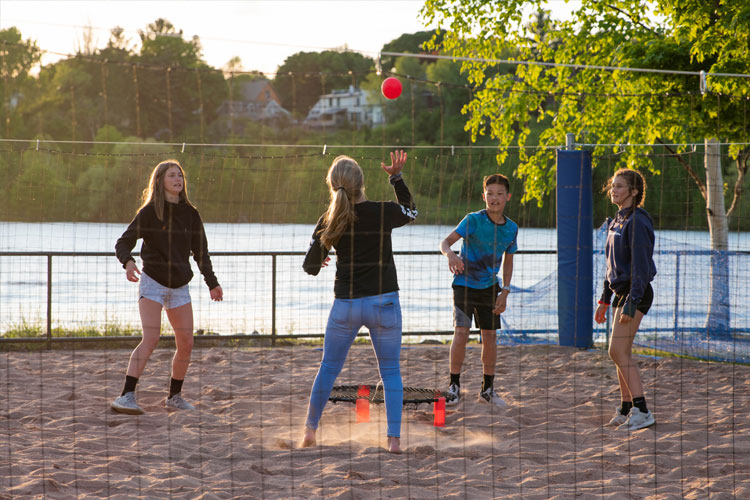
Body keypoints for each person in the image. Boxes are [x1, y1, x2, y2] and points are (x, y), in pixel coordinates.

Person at [300, 151, 417, 454]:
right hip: (384, 302)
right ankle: (392, 439)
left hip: (347, 306)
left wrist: (324, 254)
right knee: (390, 371)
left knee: (328, 368)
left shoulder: (330, 219)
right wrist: (396, 177)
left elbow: (310, 267)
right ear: (362, 183)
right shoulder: (383, 211)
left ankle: (310, 432)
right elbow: (412, 212)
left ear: (333, 187)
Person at [111, 159, 223, 415]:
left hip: (180, 285)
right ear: (160, 181)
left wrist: (212, 283)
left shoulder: (191, 214)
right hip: (152, 282)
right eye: (172, 175)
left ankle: (174, 397)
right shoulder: (150, 212)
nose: (178, 179)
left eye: (180, 175)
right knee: (151, 338)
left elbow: (201, 253)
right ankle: (126, 395)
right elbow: (123, 242)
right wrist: (128, 262)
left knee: (186, 343)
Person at [440, 174, 517, 407]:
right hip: (464, 284)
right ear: (483, 196)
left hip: (490, 288)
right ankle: (453, 386)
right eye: (490, 194)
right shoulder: (472, 219)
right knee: (461, 334)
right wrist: (451, 255)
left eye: (499, 194)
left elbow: (509, 262)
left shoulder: (511, 228)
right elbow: (444, 243)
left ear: (507, 197)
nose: (494, 198)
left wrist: (505, 291)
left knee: (490, 337)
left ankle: (487, 389)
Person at [595, 168, 657, 431]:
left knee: (617, 352)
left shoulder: (638, 222)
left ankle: (642, 411)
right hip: (621, 292)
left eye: (620, 186)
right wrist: (604, 299)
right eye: (612, 186)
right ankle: (624, 408)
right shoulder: (616, 220)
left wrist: (631, 302)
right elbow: (612, 266)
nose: (614, 190)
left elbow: (641, 268)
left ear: (634, 192)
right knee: (620, 353)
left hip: (637, 293)